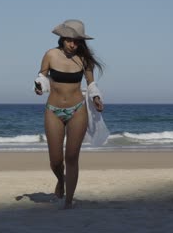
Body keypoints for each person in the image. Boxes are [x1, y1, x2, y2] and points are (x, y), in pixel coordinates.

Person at [34, 19, 104, 209]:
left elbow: (90, 83)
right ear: (62, 39)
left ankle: (68, 201)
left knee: (72, 157)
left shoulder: (83, 59)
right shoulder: (51, 54)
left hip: (77, 110)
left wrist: (96, 97)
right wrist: (39, 86)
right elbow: (42, 76)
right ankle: (61, 180)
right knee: (56, 161)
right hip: (53, 111)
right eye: (69, 40)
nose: (73, 44)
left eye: (77, 41)